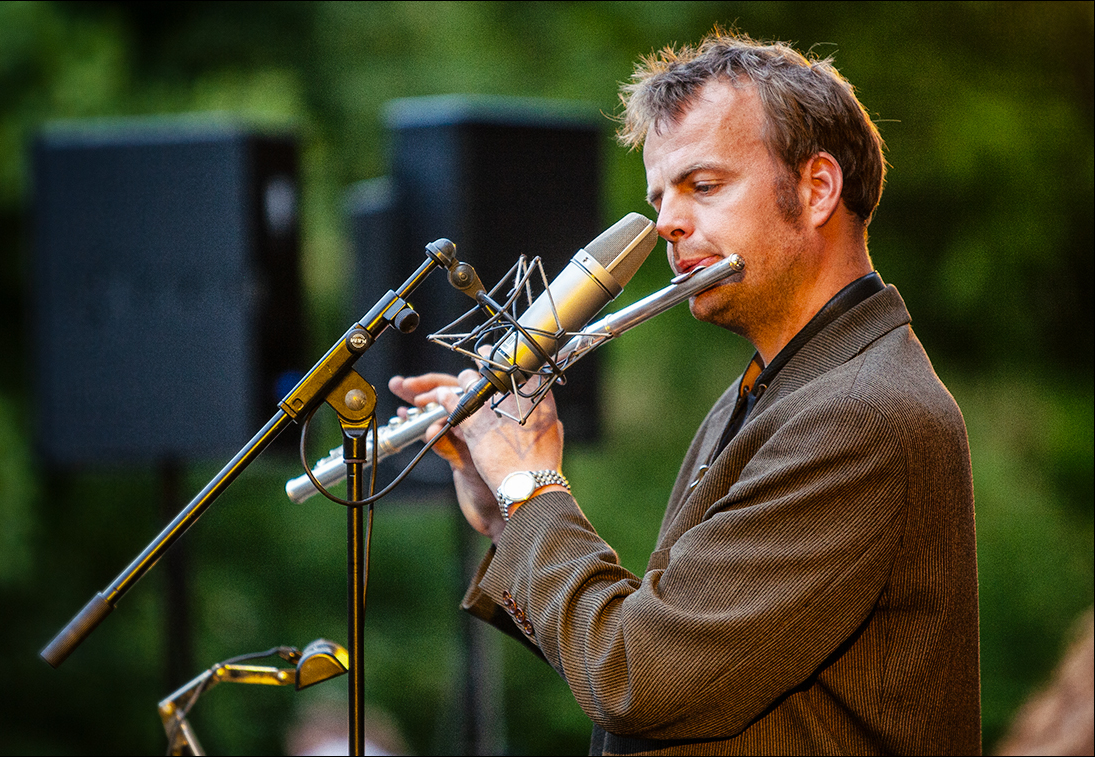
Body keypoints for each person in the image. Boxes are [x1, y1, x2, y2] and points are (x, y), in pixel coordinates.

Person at [390, 28, 980, 755]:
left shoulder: (856, 413)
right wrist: (505, 510)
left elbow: (637, 677)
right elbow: (669, 651)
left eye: (704, 185)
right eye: (660, 194)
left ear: (817, 188)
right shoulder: (778, 390)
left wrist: (531, 483)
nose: (667, 221)